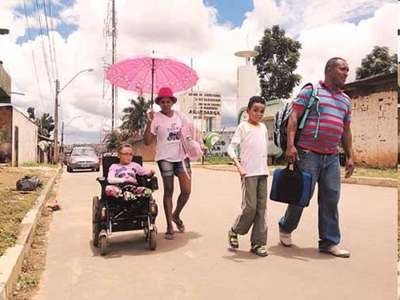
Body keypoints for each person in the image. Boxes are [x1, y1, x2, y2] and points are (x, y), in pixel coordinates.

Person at [278, 57, 354, 258]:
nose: (346, 72)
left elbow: (346, 130)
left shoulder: (346, 100)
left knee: (331, 198)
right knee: (301, 195)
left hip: (331, 157)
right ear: (329, 70)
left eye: (348, 69)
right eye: (342, 69)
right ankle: (285, 227)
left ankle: (329, 242)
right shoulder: (311, 91)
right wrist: (291, 145)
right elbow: (294, 117)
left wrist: (350, 156)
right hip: (308, 153)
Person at [144, 87, 204, 240]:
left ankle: (176, 215)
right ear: (158, 103)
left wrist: (199, 142)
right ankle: (169, 225)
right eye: (162, 101)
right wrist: (148, 122)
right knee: (169, 191)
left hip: (182, 157)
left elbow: (192, 130)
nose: (165, 104)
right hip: (164, 158)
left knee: (186, 190)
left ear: (172, 102)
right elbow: (147, 142)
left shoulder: (180, 116)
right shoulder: (155, 118)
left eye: (168, 101)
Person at [227, 96, 269, 257]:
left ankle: (258, 243)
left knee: (261, 210)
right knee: (250, 208)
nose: (259, 114)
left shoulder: (263, 128)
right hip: (248, 173)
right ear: (248, 111)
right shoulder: (243, 127)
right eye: (255, 110)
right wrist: (238, 166)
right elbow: (231, 148)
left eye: (261, 111)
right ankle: (234, 230)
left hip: (263, 172)